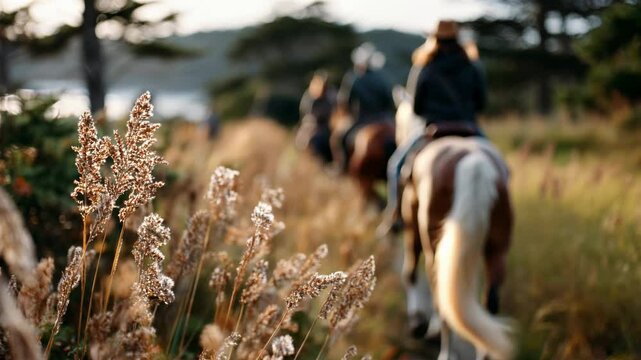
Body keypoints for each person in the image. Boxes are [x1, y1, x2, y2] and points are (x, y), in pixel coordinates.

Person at [377, 20, 487, 237]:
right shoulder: (473, 66)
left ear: (434, 39)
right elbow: (481, 103)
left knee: (396, 167)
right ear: (457, 39)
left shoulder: (425, 67)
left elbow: (417, 107)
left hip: (435, 129)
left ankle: (395, 215)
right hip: (469, 128)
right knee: (501, 168)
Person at [335, 42, 395, 171]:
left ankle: (342, 168)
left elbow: (346, 101)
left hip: (362, 119)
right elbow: (389, 101)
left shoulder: (353, 78)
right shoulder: (383, 78)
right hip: (385, 119)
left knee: (341, 139)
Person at [297, 70, 336, 163]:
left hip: (327, 125)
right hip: (312, 125)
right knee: (303, 142)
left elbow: (336, 108)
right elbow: (305, 112)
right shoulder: (309, 96)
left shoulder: (331, 94)